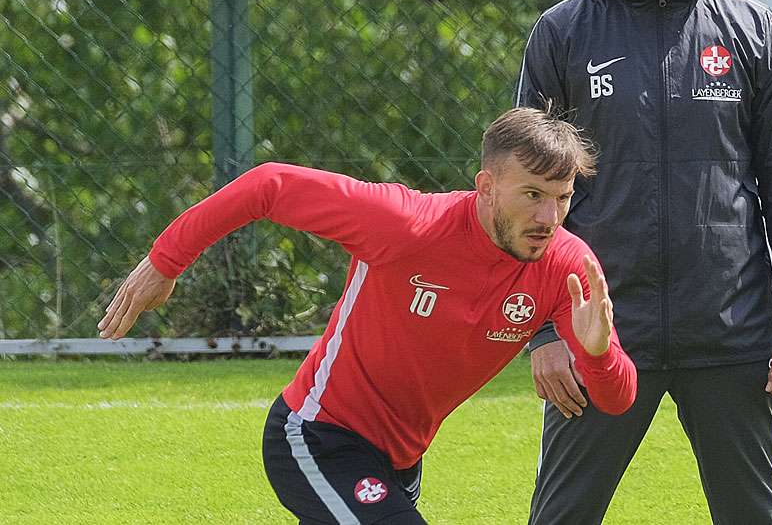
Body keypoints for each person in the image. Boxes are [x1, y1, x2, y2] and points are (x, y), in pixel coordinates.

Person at [97, 108, 637, 525]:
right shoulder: (406, 224)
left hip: (399, 461)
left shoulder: (567, 266)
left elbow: (617, 400)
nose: (549, 217)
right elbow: (269, 184)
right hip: (316, 436)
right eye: (532, 195)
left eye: (562, 198)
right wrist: (165, 262)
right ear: (487, 187)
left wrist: (597, 353)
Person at [515, 0, 772, 524]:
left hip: (730, 333)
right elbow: (524, 199)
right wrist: (543, 335)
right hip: (600, 331)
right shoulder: (562, 34)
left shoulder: (751, 29)